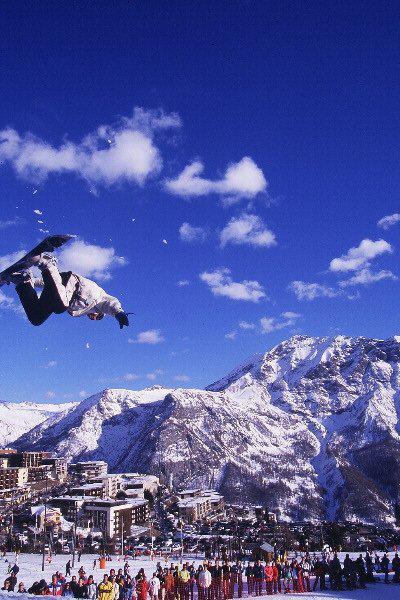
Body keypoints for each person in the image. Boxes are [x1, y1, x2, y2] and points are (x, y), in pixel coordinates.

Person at [7, 252, 129, 329]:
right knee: (60, 307)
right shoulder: (100, 300)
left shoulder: (78, 311)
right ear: (100, 313)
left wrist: (32, 282)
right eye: (97, 317)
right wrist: (119, 313)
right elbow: (111, 303)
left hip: (61, 292)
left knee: (37, 319)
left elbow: (50, 284)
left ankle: (22, 281)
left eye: (93, 320)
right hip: (74, 285)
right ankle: (48, 262)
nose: (93, 318)